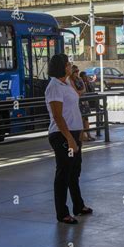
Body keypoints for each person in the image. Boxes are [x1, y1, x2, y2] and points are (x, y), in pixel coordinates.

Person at [45, 54, 93, 224]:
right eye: (68, 64)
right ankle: (62, 212)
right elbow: (58, 116)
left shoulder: (66, 83)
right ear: (62, 67)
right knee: (63, 173)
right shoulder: (54, 87)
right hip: (61, 134)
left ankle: (78, 205)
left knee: (74, 172)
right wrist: (70, 139)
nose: (70, 66)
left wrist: (78, 134)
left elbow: (73, 110)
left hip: (73, 133)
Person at [70, 65, 94, 141]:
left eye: (78, 71)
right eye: (75, 71)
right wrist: (80, 92)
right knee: (81, 119)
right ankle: (83, 136)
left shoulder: (79, 79)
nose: (77, 73)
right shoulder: (70, 80)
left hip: (84, 101)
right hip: (78, 102)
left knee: (86, 119)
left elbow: (84, 89)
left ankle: (89, 134)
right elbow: (75, 91)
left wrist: (80, 92)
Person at [80, 71, 96, 141]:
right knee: (83, 119)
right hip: (82, 103)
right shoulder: (80, 83)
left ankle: (88, 135)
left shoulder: (87, 83)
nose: (86, 77)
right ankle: (84, 135)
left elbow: (91, 91)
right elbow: (83, 92)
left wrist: (90, 82)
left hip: (86, 103)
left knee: (86, 119)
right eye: (85, 76)